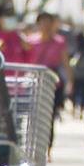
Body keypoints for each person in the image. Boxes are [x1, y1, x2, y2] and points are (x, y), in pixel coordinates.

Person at [28, 12, 72, 156]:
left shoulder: (59, 42)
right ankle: (32, 147)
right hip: (33, 81)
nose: (46, 26)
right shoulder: (30, 41)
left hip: (51, 83)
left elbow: (65, 62)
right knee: (33, 117)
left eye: (49, 22)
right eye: (42, 22)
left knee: (49, 116)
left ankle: (48, 149)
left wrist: (70, 82)